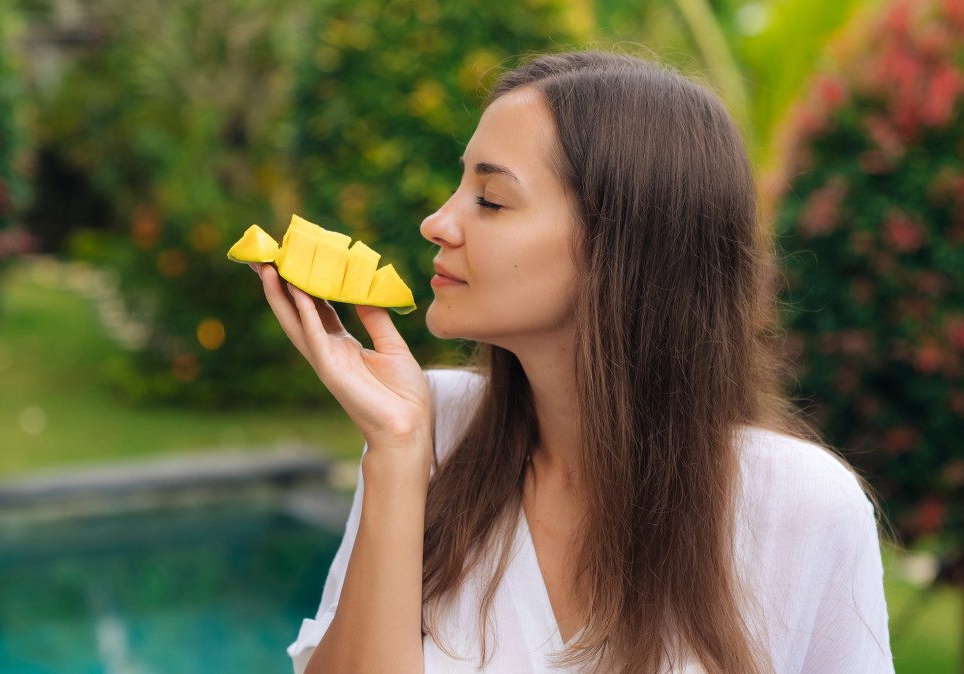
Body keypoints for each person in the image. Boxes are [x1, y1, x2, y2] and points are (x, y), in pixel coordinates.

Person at [255, 51, 894, 673]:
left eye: (492, 199)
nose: (437, 222)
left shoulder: (800, 508)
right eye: (460, 185)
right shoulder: (427, 422)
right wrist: (397, 450)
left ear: (622, 246)